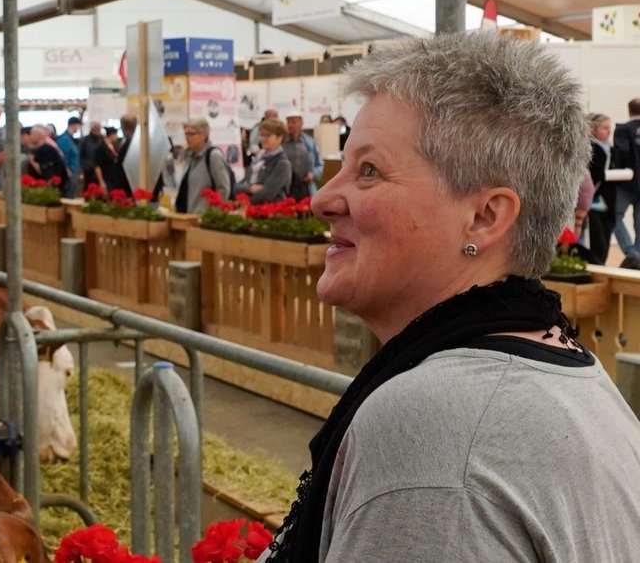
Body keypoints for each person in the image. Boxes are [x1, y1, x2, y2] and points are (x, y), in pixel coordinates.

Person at [265, 32, 640, 563]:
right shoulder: (564, 374)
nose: (323, 199)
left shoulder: (437, 426)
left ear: (485, 217)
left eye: (369, 170)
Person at [173, 118, 232, 214]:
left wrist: (212, 213)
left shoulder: (213, 156)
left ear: (204, 135)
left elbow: (223, 188)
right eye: (186, 134)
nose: (187, 138)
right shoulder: (190, 157)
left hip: (202, 217)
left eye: (191, 134)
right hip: (186, 216)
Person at [611, 98, 640, 270]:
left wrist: (617, 169)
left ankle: (631, 252)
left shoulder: (623, 129)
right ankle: (637, 253)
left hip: (627, 182)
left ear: (629, 110)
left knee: (615, 215)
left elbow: (621, 153)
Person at [235, 119, 291, 204]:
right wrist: (249, 189)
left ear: (279, 138)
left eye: (267, 135)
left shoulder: (282, 163)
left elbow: (268, 194)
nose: (263, 139)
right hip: (251, 209)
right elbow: (236, 188)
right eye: (261, 135)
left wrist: (246, 200)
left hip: (272, 209)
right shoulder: (257, 159)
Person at [584, 114, 615, 264]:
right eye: (605, 128)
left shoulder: (612, 149)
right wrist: (604, 175)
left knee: (606, 243)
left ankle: (601, 266)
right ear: (594, 129)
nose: (609, 131)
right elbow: (589, 175)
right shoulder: (590, 149)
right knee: (598, 244)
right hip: (592, 202)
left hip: (608, 202)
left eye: (610, 128)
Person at [283, 113, 323, 199]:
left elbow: (319, 164)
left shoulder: (310, 142)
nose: (290, 125)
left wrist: (313, 174)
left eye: (294, 122)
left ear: (301, 123)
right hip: (286, 187)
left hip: (306, 187)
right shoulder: (281, 142)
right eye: (288, 122)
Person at [56, 117, 82, 198]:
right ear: (74, 125)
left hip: (73, 172)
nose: (79, 128)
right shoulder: (64, 139)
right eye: (78, 125)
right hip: (69, 174)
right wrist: (67, 169)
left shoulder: (70, 139)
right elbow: (62, 156)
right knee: (68, 195)